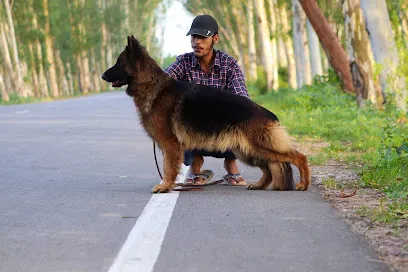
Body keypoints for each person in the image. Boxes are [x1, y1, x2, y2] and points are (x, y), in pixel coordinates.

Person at [164, 14, 250, 186]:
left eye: (203, 37)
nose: (197, 42)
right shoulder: (183, 62)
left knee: (241, 114)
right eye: (194, 37)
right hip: (193, 127)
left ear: (215, 38)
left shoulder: (229, 65)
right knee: (178, 119)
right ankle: (195, 168)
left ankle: (231, 165)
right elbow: (161, 83)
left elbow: (242, 99)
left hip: (221, 127)